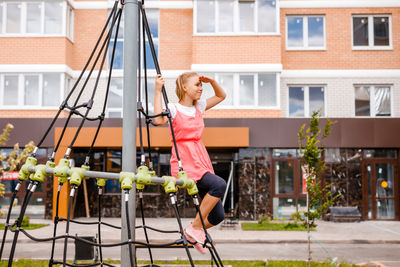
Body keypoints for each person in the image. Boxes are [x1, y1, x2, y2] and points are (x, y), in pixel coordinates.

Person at [154, 72, 227, 254]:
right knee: (219, 184)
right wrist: (157, 90)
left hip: (200, 159)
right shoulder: (174, 109)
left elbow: (221, 96)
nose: (201, 88)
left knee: (218, 216)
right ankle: (194, 229)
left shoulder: (198, 107)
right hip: (185, 160)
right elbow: (157, 120)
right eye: (197, 85)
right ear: (184, 87)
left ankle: (193, 230)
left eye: (201, 86)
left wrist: (212, 82)